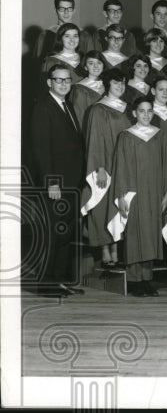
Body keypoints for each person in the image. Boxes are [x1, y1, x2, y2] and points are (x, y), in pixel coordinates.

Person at [112, 95, 167, 297]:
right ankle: (134, 280)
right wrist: (121, 196)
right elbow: (120, 167)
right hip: (134, 192)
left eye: (150, 111)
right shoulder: (126, 136)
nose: (147, 115)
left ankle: (147, 279)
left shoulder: (159, 136)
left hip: (155, 191)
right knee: (135, 235)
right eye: (142, 111)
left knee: (150, 235)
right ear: (134, 113)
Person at [30, 64, 87, 297]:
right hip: (56, 184)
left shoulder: (67, 105)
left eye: (67, 80)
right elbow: (41, 149)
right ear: (49, 82)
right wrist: (51, 182)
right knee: (53, 233)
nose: (64, 84)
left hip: (72, 182)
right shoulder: (43, 107)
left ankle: (60, 281)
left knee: (66, 233)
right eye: (59, 80)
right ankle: (45, 284)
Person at [81, 68, 131, 270]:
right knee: (103, 206)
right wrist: (99, 168)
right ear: (107, 85)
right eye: (116, 83)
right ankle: (104, 252)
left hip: (123, 164)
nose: (120, 87)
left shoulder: (126, 108)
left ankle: (116, 252)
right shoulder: (98, 109)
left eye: (122, 83)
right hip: (106, 165)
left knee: (119, 206)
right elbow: (94, 140)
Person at [71, 51, 106, 122]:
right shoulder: (79, 89)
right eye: (91, 63)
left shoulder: (109, 86)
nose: (96, 66)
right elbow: (78, 116)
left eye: (99, 63)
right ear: (85, 67)